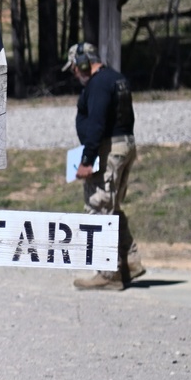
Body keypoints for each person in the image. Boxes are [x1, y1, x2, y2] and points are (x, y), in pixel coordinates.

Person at [63, 42, 145, 290]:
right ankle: (129, 262)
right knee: (112, 207)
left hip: (109, 150)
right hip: (125, 145)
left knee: (98, 209)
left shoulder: (98, 84)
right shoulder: (116, 78)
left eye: (74, 69)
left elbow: (97, 124)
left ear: (82, 63)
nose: (75, 74)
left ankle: (109, 275)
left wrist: (87, 160)